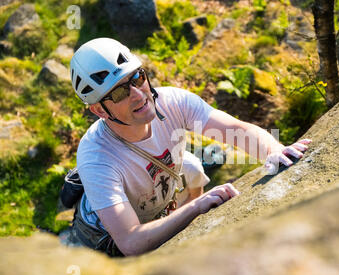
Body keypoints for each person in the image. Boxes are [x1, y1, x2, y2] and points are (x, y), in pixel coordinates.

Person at [69, 38, 311, 257]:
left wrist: (273, 150)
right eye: (120, 92)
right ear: (100, 110)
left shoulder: (172, 103)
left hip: (157, 202)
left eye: (137, 78)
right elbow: (131, 241)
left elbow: (237, 131)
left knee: (193, 166)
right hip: (102, 238)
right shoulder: (97, 157)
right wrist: (196, 207)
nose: (138, 94)